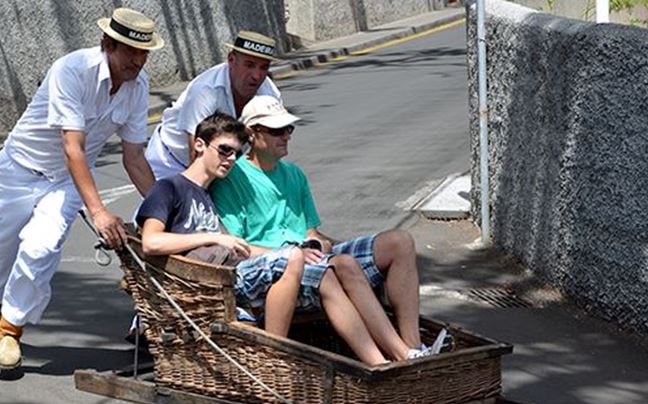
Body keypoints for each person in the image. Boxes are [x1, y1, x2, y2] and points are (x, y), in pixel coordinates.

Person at [0, 8, 163, 370]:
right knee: (4, 241)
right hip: (21, 168)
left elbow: (135, 157)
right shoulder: (71, 70)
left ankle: (11, 329)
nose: (139, 61)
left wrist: (165, 208)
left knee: (41, 246)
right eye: (131, 51)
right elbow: (71, 146)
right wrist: (98, 211)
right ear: (108, 44)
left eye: (145, 53)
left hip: (66, 181)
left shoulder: (138, 88)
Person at [211, 96, 443, 362]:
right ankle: (387, 360)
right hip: (276, 266)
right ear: (252, 133)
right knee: (337, 267)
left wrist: (317, 245)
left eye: (289, 129)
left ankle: (412, 347)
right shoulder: (233, 178)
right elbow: (238, 246)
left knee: (399, 241)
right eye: (277, 130)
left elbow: (312, 234)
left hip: (309, 256)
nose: (286, 136)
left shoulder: (294, 174)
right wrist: (292, 253)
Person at [137, 113, 304, 337]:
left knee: (310, 265)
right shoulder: (170, 188)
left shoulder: (210, 194)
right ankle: (276, 350)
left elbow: (238, 246)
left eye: (236, 153)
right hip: (198, 288)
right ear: (199, 145)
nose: (231, 158)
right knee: (293, 260)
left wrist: (286, 253)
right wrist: (212, 237)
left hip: (225, 277)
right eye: (224, 150)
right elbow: (150, 242)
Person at [142, 30, 281, 182]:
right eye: (249, 65)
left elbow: (272, 144)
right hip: (171, 160)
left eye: (263, 67)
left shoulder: (269, 93)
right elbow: (196, 156)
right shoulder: (205, 90)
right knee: (175, 204)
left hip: (224, 159)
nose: (256, 75)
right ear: (231, 59)